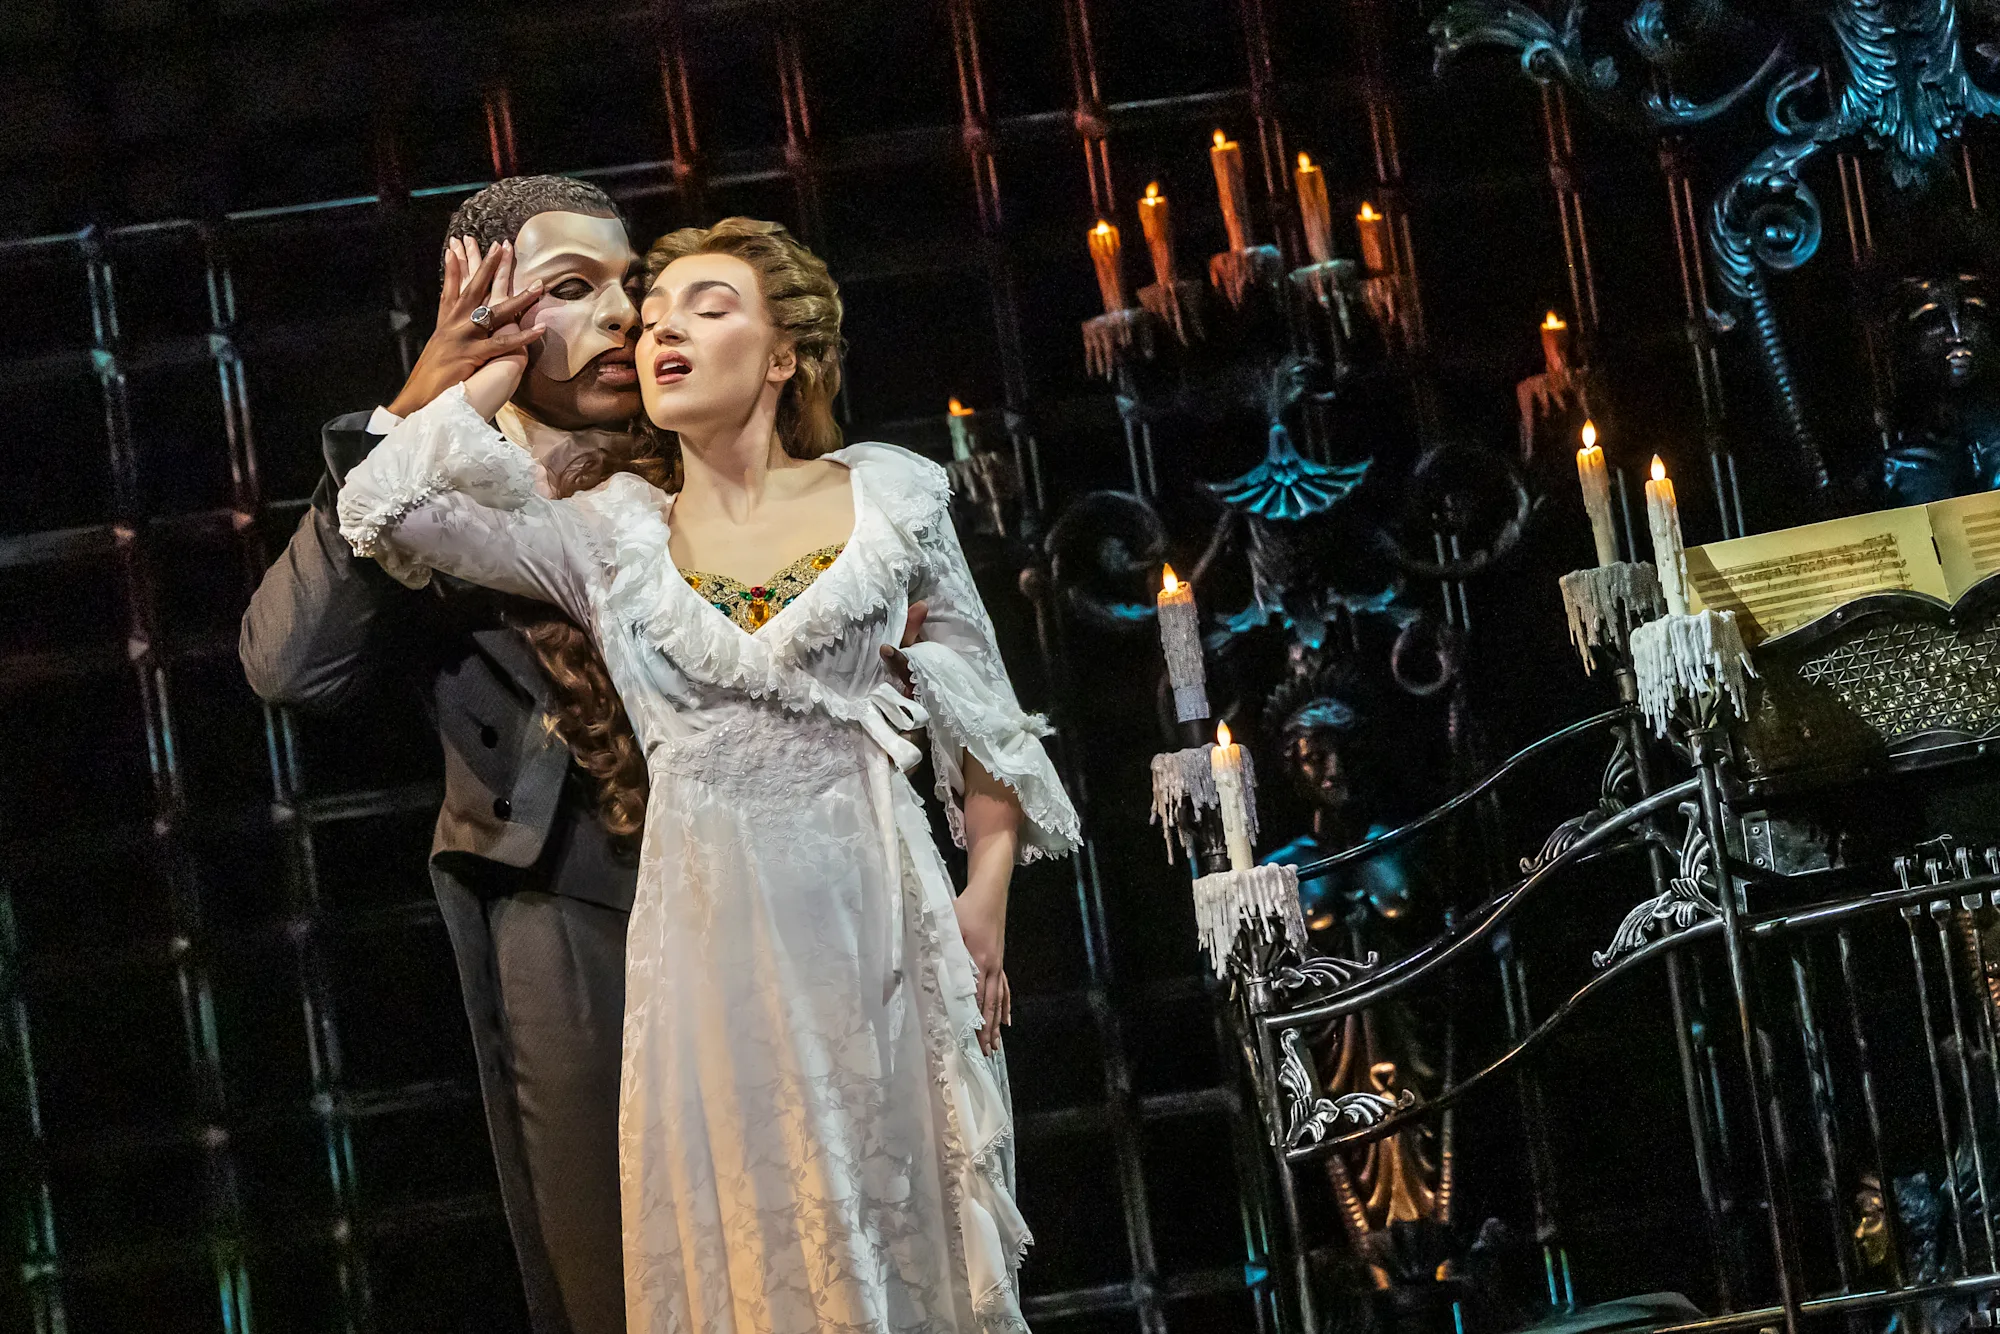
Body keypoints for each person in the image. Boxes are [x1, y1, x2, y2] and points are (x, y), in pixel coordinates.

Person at [335, 215, 1078, 1332]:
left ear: (784, 356)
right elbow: (384, 503)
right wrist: (490, 369)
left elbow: (982, 711)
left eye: (706, 306)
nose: (661, 331)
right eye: (652, 318)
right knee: (756, 1244)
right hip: (709, 951)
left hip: (879, 928)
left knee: (897, 1243)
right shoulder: (605, 535)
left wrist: (985, 897)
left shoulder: (889, 496)